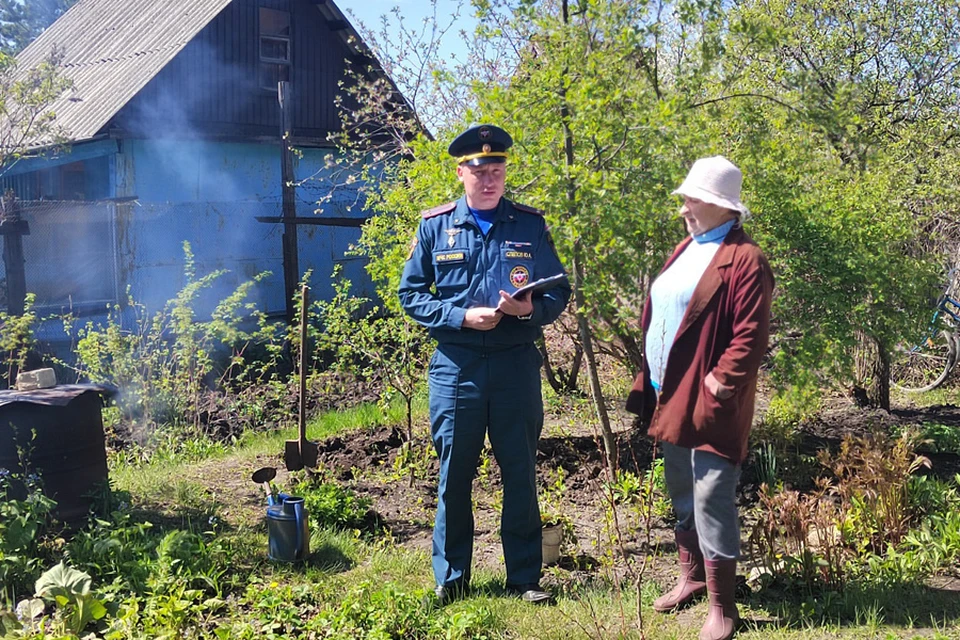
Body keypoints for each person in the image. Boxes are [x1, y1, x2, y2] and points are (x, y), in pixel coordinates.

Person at [398, 123, 572, 605]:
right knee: (454, 473)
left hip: (516, 365)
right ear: (461, 174)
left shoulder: (529, 225)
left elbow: (559, 290)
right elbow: (410, 295)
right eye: (480, 171)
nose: (489, 179)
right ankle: (451, 578)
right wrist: (459, 316)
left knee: (519, 470)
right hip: (457, 366)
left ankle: (524, 578)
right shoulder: (435, 226)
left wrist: (529, 310)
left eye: (497, 170)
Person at [626, 156, 773, 640]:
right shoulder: (686, 247)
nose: (684, 205)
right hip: (670, 391)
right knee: (682, 488)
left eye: (691, 198)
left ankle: (723, 607)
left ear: (718, 205)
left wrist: (721, 382)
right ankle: (689, 577)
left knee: (712, 494)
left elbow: (750, 335)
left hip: (709, 397)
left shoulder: (745, 259)